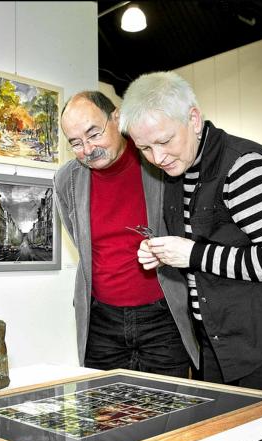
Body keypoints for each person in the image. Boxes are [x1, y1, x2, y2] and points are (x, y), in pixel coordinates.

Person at [120, 71, 262, 400]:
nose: (157, 157)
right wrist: (164, 253)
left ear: (194, 119)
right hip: (220, 343)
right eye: (144, 148)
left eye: (165, 141)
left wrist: (192, 254)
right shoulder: (177, 172)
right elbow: (212, 246)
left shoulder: (243, 166)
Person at [53, 90, 198, 378]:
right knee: (104, 405)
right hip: (101, 322)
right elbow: (80, 241)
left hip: (163, 317)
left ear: (117, 118)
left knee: (169, 402)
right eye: (76, 143)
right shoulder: (66, 180)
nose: (88, 149)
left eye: (94, 134)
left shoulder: (157, 160)